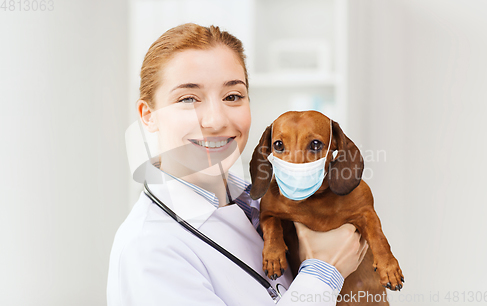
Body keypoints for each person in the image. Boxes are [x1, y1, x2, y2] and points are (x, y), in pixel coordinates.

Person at [107, 23, 368, 305]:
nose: (217, 120)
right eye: (188, 99)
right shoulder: (148, 250)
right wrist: (323, 272)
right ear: (148, 116)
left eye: (232, 96)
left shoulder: (260, 204)